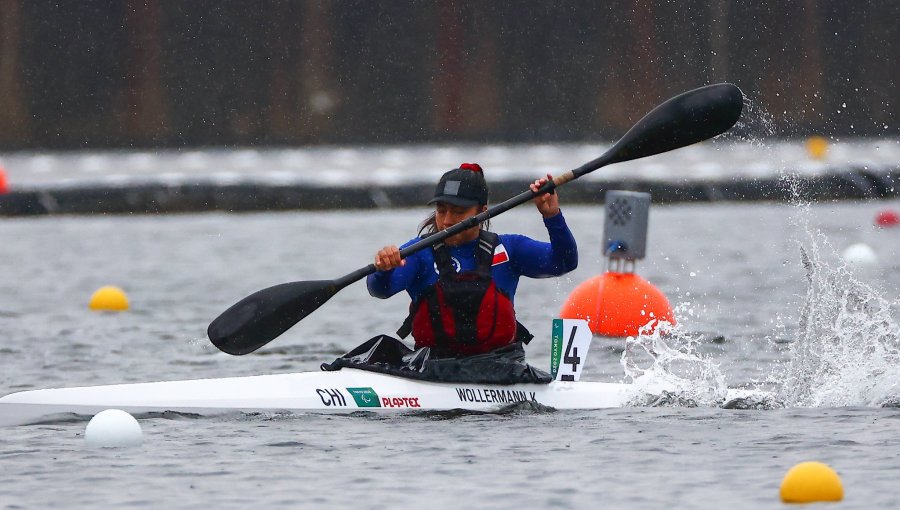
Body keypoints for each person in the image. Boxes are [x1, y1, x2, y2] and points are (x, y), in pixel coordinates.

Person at [367, 163, 578, 358]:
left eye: (458, 212)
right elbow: (380, 290)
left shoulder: (509, 249)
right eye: (441, 211)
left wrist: (552, 217)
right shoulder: (419, 253)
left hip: (501, 368)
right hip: (434, 370)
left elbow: (564, 262)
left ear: (482, 212)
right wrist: (384, 269)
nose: (447, 221)